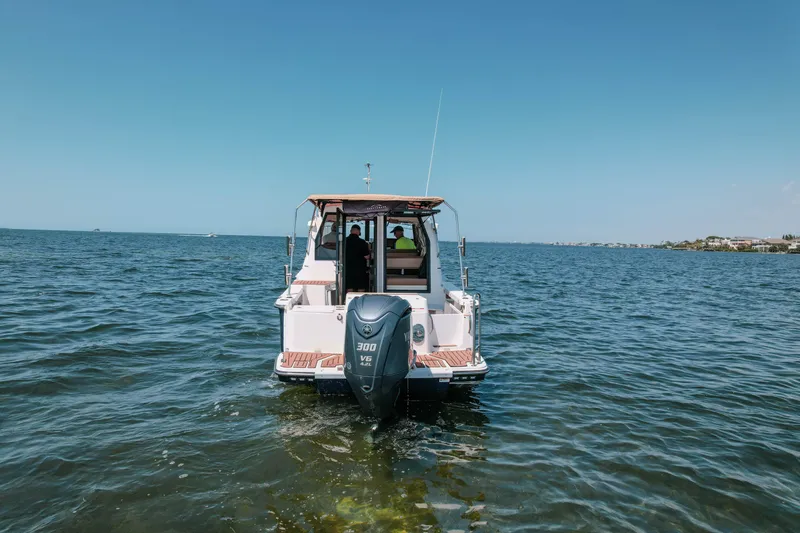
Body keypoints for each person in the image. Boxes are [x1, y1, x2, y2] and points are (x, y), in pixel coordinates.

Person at [345, 224, 370, 291]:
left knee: (349, 287)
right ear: (359, 232)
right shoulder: (362, 242)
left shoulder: (344, 241)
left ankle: (349, 300)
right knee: (360, 287)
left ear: (350, 231)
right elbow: (367, 257)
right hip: (360, 269)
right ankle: (360, 300)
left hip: (347, 268)